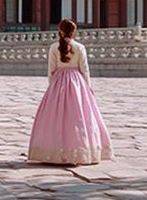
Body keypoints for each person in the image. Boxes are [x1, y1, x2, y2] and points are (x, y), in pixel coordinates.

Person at [27, 18, 113, 165]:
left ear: (59, 30)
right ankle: (80, 150)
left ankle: (54, 150)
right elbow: (84, 70)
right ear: (73, 32)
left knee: (55, 117)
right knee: (79, 117)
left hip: (58, 82)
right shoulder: (80, 47)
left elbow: (51, 70)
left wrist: (52, 88)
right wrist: (88, 87)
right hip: (77, 83)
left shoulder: (54, 47)